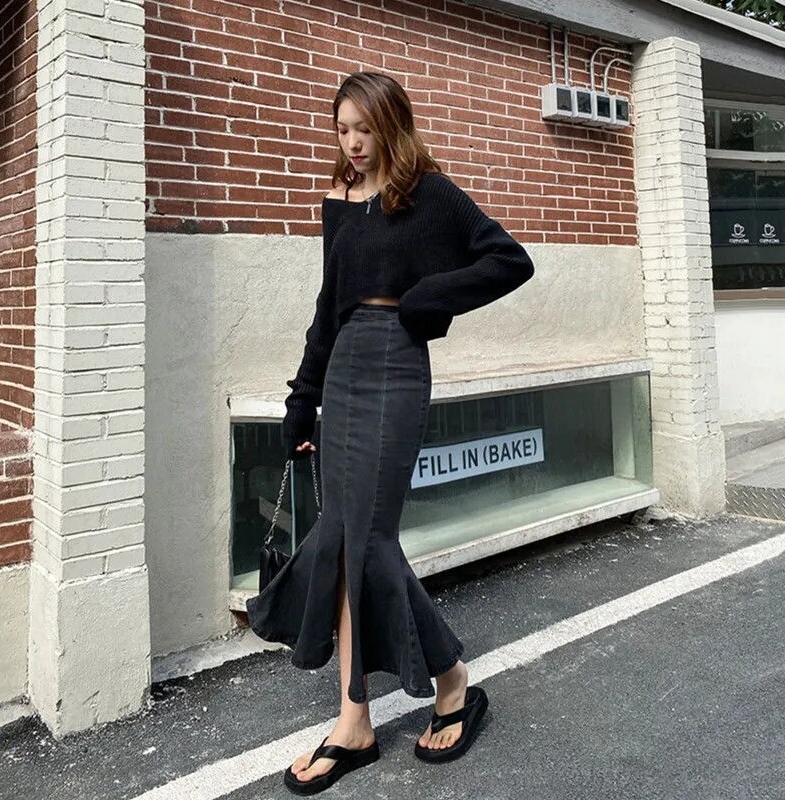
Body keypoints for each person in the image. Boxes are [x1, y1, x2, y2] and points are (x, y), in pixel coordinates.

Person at [246, 71, 534, 795]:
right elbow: (328, 305)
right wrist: (302, 399)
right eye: (342, 129)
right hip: (345, 364)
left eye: (363, 129)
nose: (351, 143)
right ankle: (362, 718)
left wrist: (426, 299)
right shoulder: (339, 200)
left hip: (397, 364)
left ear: (391, 126)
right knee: (346, 537)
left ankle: (440, 684)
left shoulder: (427, 193)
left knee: (367, 538)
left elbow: (509, 259)